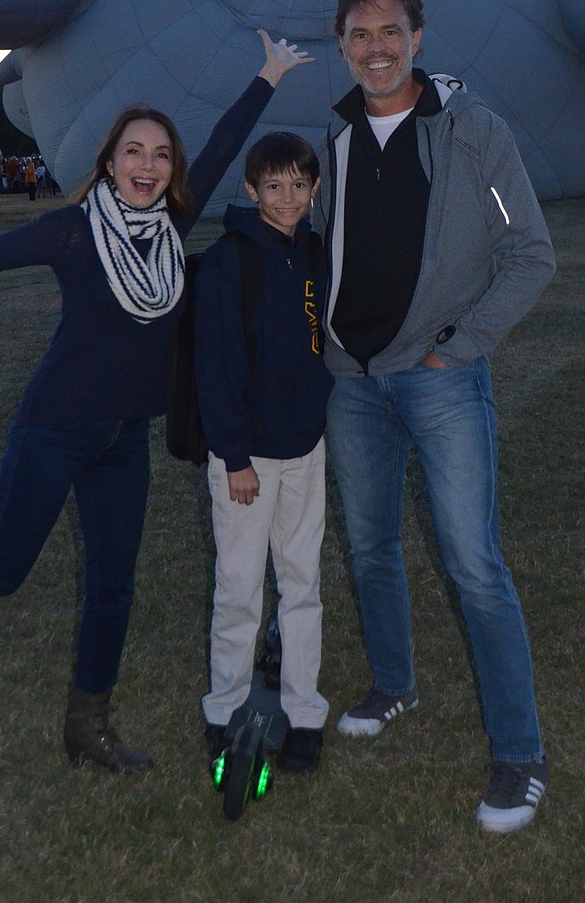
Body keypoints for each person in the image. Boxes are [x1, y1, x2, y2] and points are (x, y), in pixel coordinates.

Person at [0, 31, 311, 774]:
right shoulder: (71, 231)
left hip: (122, 440)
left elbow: (222, 144)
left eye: (160, 155)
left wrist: (268, 73)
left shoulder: (173, 229)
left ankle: (90, 725)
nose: (149, 165)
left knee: (115, 586)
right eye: (134, 152)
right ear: (109, 161)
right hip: (54, 426)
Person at [315, 0, 556, 833]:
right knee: (371, 546)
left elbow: (532, 253)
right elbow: (326, 251)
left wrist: (463, 347)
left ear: (418, 38)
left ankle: (520, 754)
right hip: (353, 379)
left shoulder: (473, 130)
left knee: (474, 566)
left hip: (438, 374)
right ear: (341, 45)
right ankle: (393, 683)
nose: (375, 48)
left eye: (390, 32)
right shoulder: (335, 138)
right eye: (358, 34)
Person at [194, 133, 333, 775]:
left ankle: (304, 714)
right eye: (273, 186)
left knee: (302, 583)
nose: (287, 198)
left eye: (298, 185)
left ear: (313, 190)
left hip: (305, 445)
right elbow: (214, 366)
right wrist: (235, 455)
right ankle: (224, 710)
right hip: (245, 458)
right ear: (251, 190)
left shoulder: (315, 254)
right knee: (241, 586)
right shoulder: (228, 260)